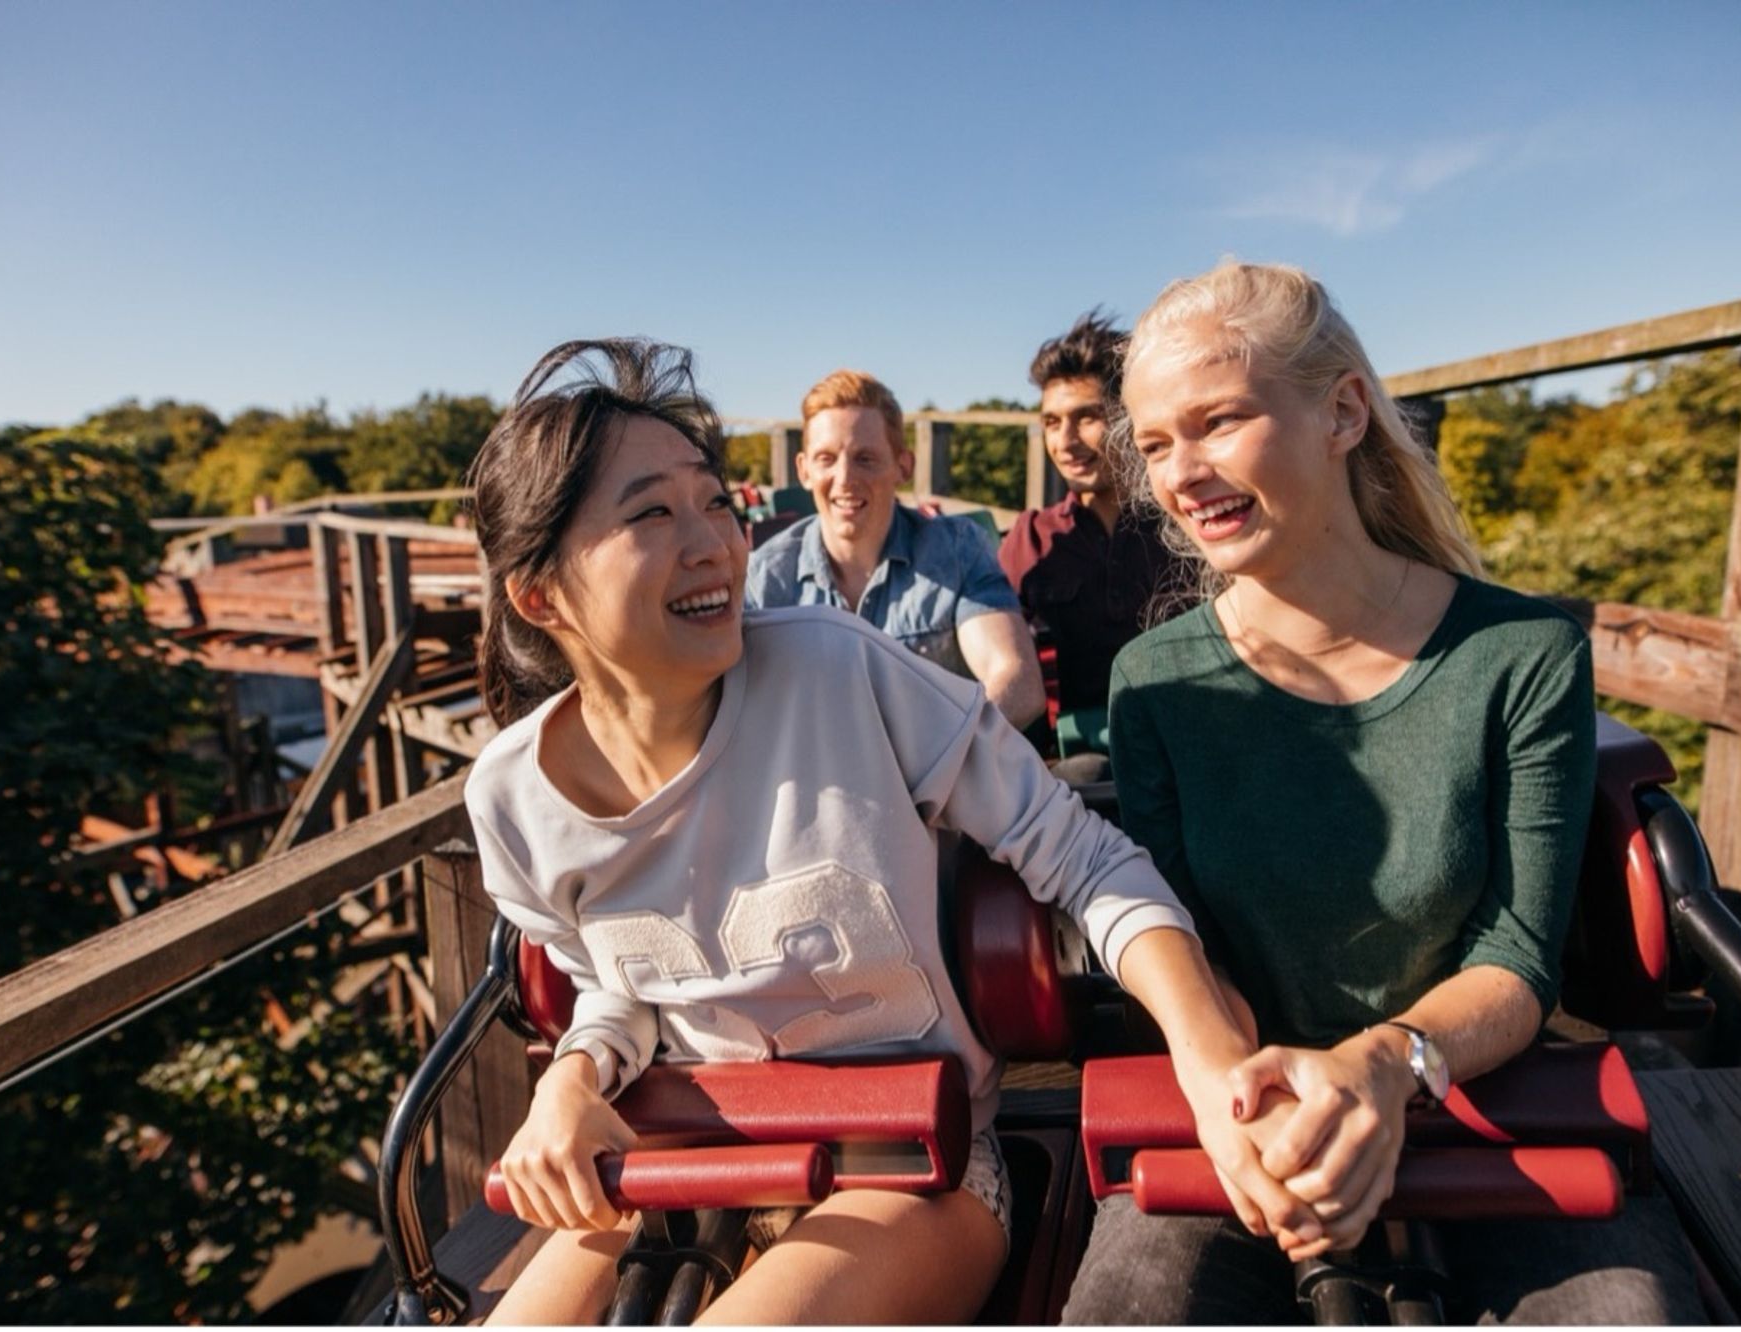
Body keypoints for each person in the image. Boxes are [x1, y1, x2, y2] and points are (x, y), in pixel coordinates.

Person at [461, 339, 1311, 1325]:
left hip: (912, 1158)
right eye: (652, 512)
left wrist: (1204, 1047)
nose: (715, 545)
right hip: (684, 1149)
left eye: (712, 502)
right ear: (539, 595)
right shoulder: (511, 799)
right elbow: (623, 983)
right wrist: (570, 1080)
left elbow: (1084, 858)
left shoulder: (837, 670)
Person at [1060, 261, 1704, 1325]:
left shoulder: (1519, 652)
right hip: (1242, 1098)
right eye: (1157, 442)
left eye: (1217, 422)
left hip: (1472, 1080)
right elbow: (1183, 939)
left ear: (1343, 412)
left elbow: (1514, 956)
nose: (1182, 475)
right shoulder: (1156, 679)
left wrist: (1382, 1065)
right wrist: (1248, 1100)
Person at [744, 369, 1046, 730]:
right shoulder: (765, 577)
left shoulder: (954, 551)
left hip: (942, 778)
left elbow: (1017, 681)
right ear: (804, 469)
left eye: (865, 458)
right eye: (826, 459)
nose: (844, 479)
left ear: (903, 465)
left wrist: (929, 761)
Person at [998, 310, 1177, 771]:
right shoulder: (1031, 538)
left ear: (1127, 418)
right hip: (1079, 766)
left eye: (1086, 417)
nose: (1066, 441)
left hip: (1188, 743)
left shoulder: (1184, 523)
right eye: (1052, 422)